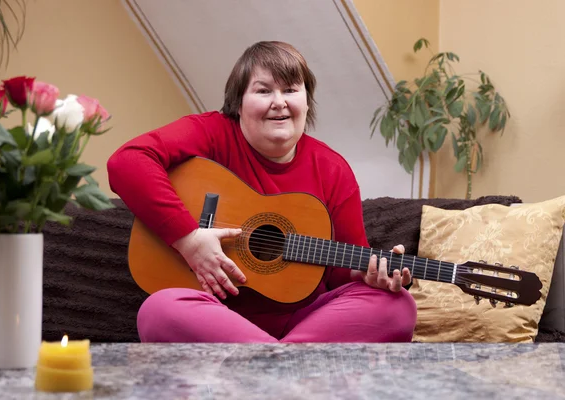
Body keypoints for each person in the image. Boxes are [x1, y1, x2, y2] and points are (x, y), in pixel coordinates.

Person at [107, 41, 417, 343]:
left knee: (397, 305)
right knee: (159, 311)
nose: (279, 102)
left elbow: (341, 272)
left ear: (307, 101)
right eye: (263, 90)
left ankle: (267, 363)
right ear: (238, 102)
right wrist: (189, 240)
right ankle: (288, 367)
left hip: (305, 322)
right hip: (214, 317)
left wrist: (368, 276)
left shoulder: (333, 169)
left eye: (291, 89)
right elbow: (127, 162)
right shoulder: (212, 133)